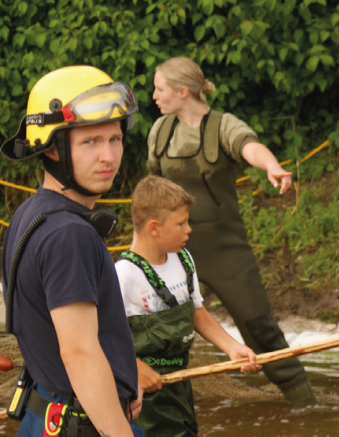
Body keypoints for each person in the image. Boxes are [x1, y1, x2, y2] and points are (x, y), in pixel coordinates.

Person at [146, 56, 316, 405]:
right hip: (169, 253)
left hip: (225, 249)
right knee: (156, 335)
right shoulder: (159, 132)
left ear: (183, 91)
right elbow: (150, 188)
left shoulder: (222, 125)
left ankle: (306, 406)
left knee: (260, 329)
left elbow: (248, 146)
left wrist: (271, 165)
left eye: (159, 89)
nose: (153, 96)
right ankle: (154, 410)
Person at [0, 65, 144, 436]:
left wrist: (124, 375)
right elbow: (79, 354)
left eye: (114, 139)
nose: (109, 156)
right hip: (79, 424)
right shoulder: (69, 234)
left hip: (45, 414)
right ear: (51, 149)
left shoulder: (31, 214)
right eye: (90, 142)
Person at [117, 175, 261, 437]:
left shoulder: (183, 258)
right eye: (181, 224)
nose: (189, 230)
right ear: (154, 228)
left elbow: (198, 313)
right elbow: (102, 338)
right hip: (140, 395)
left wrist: (233, 347)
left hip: (178, 383)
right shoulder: (123, 275)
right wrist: (135, 369)